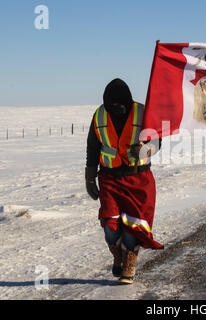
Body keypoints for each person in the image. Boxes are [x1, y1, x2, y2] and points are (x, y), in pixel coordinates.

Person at [85, 78, 163, 285]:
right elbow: (93, 146)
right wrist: (89, 175)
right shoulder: (100, 114)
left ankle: (129, 263)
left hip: (138, 179)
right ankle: (117, 254)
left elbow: (157, 140)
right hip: (109, 178)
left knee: (133, 226)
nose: (116, 108)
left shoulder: (143, 112)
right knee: (110, 226)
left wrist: (146, 150)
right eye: (112, 105)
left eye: (120, 104)